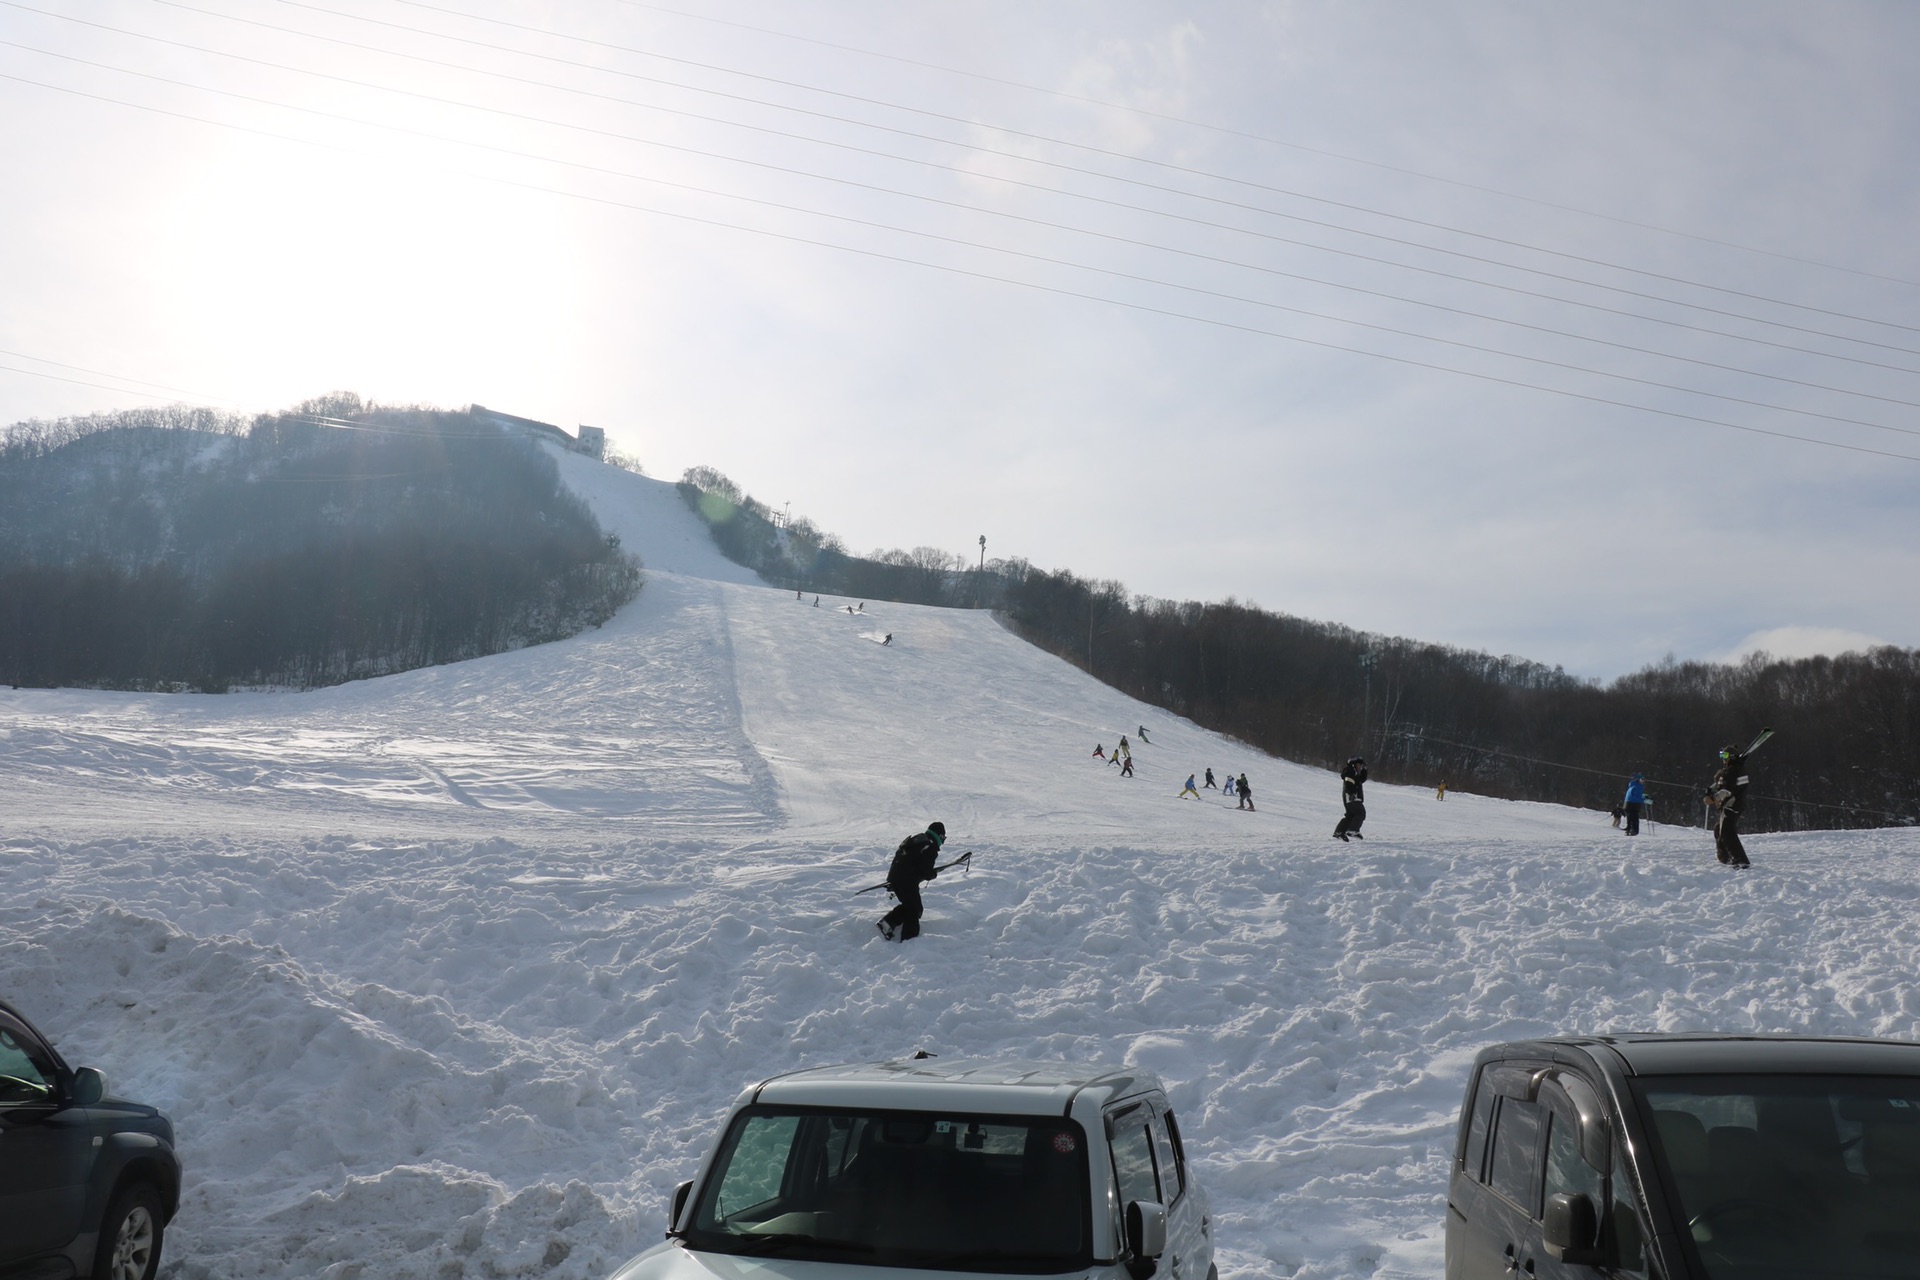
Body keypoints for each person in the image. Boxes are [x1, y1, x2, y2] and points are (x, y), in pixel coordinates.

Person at [878, 822, 948, 941]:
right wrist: (933, 874)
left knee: (910, 905)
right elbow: (925, 871)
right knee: (915, 909)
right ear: (940, 836)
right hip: (907, 880)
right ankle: (909, 940)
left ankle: (887, 923)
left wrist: (893, 880)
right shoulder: (930, 847)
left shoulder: (918, 840)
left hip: (896, 877)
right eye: (944, 838)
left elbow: (907, 860)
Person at [1708, 744, 1753, 867]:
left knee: (1727, 833)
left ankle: (1740, 860)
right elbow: (1724, 784)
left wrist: (1712, 798)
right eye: (1721, 755)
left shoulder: (1733, 771)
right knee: (1719, 829)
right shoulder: (1735, 769)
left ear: (1732, 757)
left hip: (1732, 805)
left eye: (1726, 755)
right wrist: (1719, 779)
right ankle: (1725, 858)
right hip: (1736, 804)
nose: (1723, 758)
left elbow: (1727, 790)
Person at [1333, 756, 1367, 840]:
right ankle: (1352, 830)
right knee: (1360, 813)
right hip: (1352, 796)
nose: (1360, 767)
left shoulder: (1354, 772)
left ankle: (1339, 832)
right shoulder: (1350, 771)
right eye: (1359, 765)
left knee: (1350, 815)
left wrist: (1364, 770)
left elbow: (1361, 780)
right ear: (1353, 764)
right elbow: (1348, 783)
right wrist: (1351, 793)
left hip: (1349, 796)